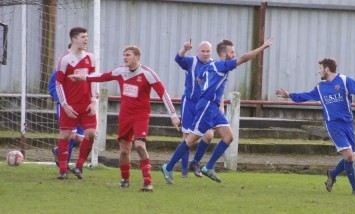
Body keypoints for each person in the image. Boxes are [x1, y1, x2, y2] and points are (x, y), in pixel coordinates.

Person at [161, 38, 273, 184]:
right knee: (190, 140)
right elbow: (244, 58)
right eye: (232, 52)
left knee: (228, 137)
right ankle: (168, 167)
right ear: (224, 54)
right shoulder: (222, 64)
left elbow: (200, 79)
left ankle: (208, 167)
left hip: (213, 107)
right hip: (207, 107)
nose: (234, 54)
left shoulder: (211, 65)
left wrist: (209, 91)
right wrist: (262, 47)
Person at [69, 45, 180, 191]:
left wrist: (173, 115)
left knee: (140, 146)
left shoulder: (147, 73)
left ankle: (148, 182)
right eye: (124, 55)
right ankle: (125, 180)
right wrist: (82, 78)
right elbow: (103, 76)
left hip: (141, 115)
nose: (125, 57)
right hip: (125, 115)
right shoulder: (121, 71)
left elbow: (163, 93)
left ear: (137, 57)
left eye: (128, 55)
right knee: (123, 150)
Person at [276, 58, 355, 196]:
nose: (319, 71)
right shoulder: (321, 87)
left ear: (326, 69)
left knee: (351, 158)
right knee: (349, 157)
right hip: (333, 125)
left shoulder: (344, 81)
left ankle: (332, 173)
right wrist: (289, 95)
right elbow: (306, 96)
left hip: (348, 124)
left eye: (320, 68)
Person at [55, 27, 98, 180]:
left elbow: (94, 79)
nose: (86, 39)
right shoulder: (65, 59)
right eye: (83, 37)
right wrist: (65, 105)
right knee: (66, 136)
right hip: (71, 106)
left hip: (86, 104)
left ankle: (79, 167)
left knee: (91, 133)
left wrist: (93, 101)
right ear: (74, 39)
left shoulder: (90, 57)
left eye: (87, 36)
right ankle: (62, 170)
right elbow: (58, 84)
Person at [175, 39, 217, 178]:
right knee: (187, 137)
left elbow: (218, 87)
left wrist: (220, 106)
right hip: (190, 103)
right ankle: (184, 171)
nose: (205, 54)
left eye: (208, 51)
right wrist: (184, 48)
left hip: (205, 106)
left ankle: (196, 162)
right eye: (203, 51)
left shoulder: (214, 65)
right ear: (198, 51)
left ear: (211, 52)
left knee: (209, 135)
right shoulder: (191, 62)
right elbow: (178, 58)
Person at [48, 68, 84, 169]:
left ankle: (58, 151)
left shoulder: (85, 67)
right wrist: (63, 100)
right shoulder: (62, 68)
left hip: (81, 106)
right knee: (70, 135)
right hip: (65, 106)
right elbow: (52, 87)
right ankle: (64, 167)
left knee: (79, 139)